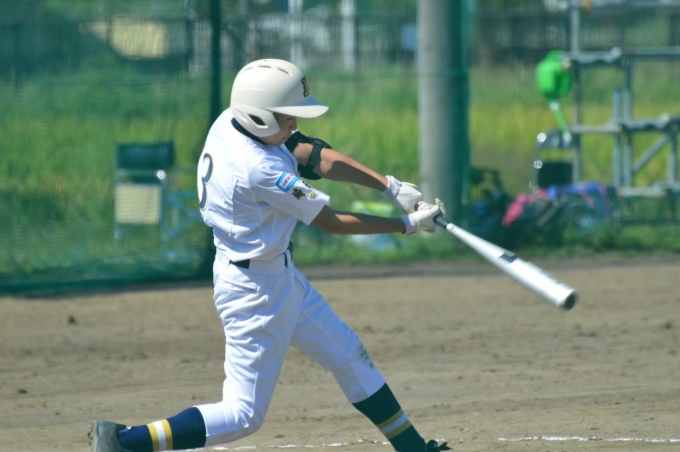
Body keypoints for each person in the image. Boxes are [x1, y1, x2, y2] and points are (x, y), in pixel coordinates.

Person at [89, 59, 449, 452]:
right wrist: (405, 224)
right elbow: (330, 222)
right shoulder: (259, 168)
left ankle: (414, 448)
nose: (294, 124)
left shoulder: (232, 121)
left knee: (349, 356)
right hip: (255, 292)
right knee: (242, 415)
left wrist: (389, 186)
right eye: (287, 116)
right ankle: (124, 443)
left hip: (277, 275)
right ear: (259, 116)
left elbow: (313, 155)